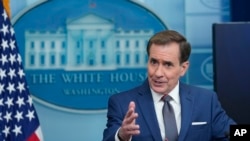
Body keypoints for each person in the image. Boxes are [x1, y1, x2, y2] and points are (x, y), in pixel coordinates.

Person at [102, 30, 236, 141]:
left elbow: (234, 133)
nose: (158, 73)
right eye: (153, 62)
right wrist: (121, 135)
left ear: (183, 68)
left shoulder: (206, 101)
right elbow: (109, 138)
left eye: (167, 64)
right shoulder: (121, 103)